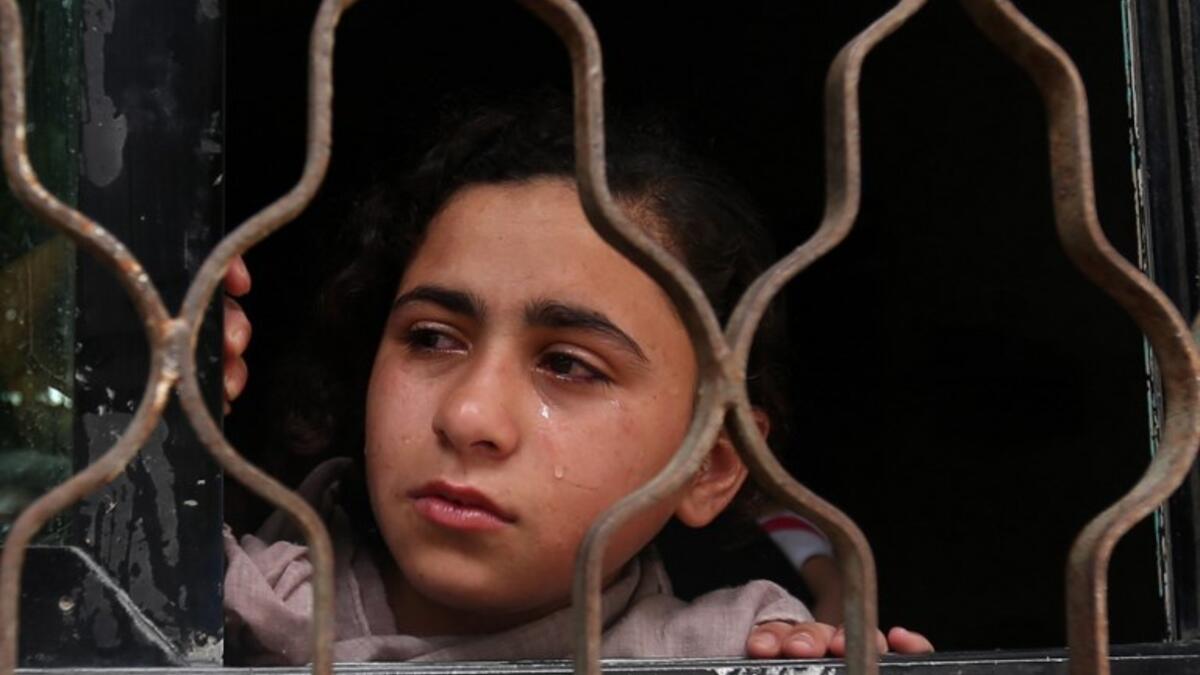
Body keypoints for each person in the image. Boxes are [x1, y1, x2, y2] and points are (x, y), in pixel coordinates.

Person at [220, 99, 932, 664]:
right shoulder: (210, 600)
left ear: (709, 465)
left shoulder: (740, 656)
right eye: (432, 338)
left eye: (568, 364)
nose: (468, 415)